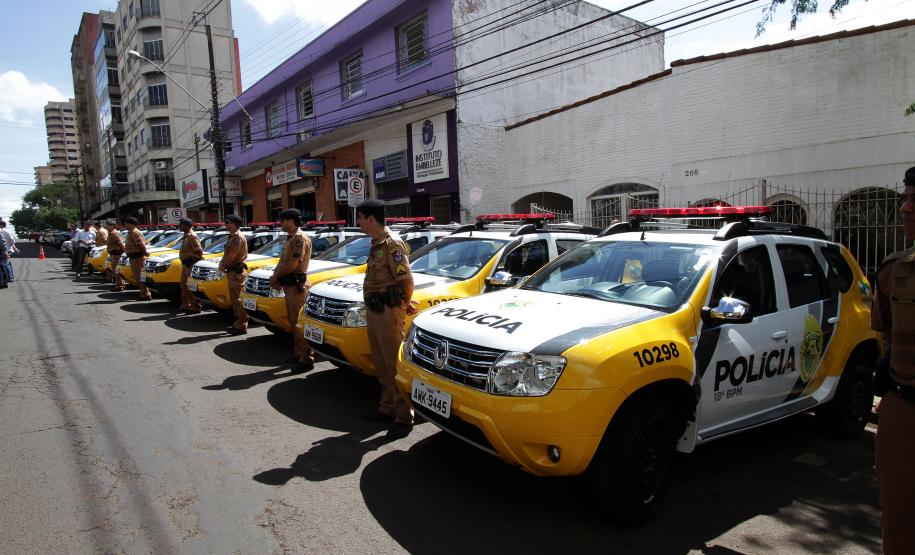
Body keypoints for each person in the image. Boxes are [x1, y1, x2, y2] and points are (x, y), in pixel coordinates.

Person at [872, 165, 915, 555]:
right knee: (898, 517)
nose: (905, 209)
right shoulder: (894, 270)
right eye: (905, 198)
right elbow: (884, 333)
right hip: (903, 405)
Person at [356, 199, 419, 439]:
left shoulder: (392, 244)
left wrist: (403, 303)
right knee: (381, 364)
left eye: (360, 218)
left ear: (370, 219)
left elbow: (407, 280)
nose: (359, 223)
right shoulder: (376, 243)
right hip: (375, 311)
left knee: (394, 364)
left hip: (388, 312)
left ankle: (404, 417)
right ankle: (388, 408)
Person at [270, 209, 314, 370]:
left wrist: (274, 277)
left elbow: (292, 265)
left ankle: (306, 358)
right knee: (294, 322)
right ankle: (299, 353)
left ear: (290, 221)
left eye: (282, 220)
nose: (280, 223)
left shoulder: (299, 239)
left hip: (296, 287)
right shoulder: (290, 238)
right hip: (290, 286)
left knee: (298, 323)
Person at [220, 215, 248, 335]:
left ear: (234, 223)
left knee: (238, 300)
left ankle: (241, 325)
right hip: (232, 272)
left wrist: (223, 264)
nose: (225, 225)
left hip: (236, 273)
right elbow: (227, 253)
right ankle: (239, 323)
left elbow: (231, 255)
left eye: (227, 222)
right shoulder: (232, 237)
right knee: (235, 300)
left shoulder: (237, 237)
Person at [177, 217, 204, 314]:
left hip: (190, 265)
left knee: (191, 286)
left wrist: (193, 259)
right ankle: (185, 305)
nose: (179, 226)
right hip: (185, 265)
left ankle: (195, 306)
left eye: (181, 224)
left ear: (186, 226)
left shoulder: (192, 236)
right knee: (183, 286)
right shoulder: (186, 236)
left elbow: (199, 251)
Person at [124, 217, 151, 300]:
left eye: (127, 223)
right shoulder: (130, 232)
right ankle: (143, 292)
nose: (125, 225)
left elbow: (140, 244)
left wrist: (145, 252)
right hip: (133, 258)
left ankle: (145, 294)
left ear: (132, 224)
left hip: (138, 258)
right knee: (137, 277)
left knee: (140, 276)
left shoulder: (135, 233)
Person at [105, 220, 126, 291]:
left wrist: (124, 252)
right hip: (113, 254)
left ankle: (119, 285)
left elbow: (120, 243)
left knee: (116, 271)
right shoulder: (111, 233)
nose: (106, 226)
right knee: (115, 270)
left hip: (116, 254)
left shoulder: (115, 233)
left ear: (112, 226)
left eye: (107, 225)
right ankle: (120, 284)